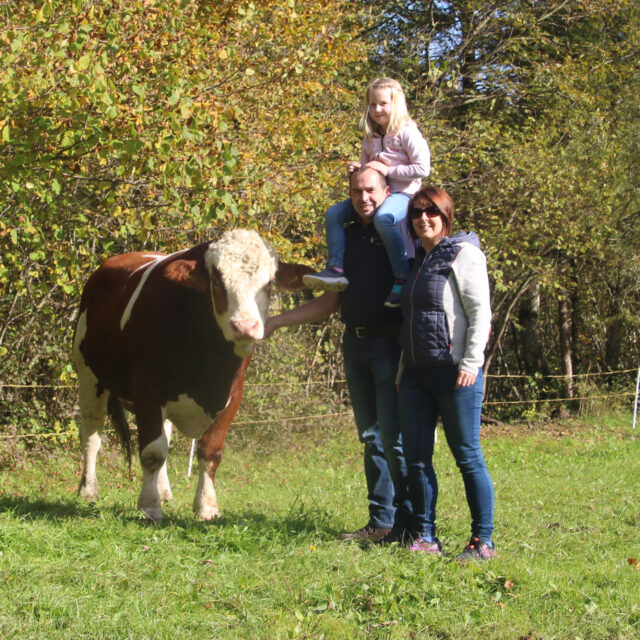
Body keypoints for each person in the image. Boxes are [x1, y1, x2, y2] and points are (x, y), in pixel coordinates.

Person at [265, 167, 412, 543]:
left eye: (371, 190)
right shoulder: (345, 236)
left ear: (386, 192)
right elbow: (330, 301)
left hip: (389, 344)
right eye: (356, 191)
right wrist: (275, 323)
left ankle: (412, 526)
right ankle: (380, 523)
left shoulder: (399, 231)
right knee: (371, 435)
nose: (364, 198)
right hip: (355, 344)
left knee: (393, 438)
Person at [396, 186, 496, 561]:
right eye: (417, 213)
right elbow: (411, 321)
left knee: (467, 456)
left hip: (455, 374)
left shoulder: (464, 254)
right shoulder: (416, 262)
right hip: (415, 376)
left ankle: (483, 542)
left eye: (431, 211)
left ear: (446, 215)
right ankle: (425, 537)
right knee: (417, 458)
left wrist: (471, 362)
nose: (424, 218)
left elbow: (480, 313)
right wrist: (403, 369)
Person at [303, 77, 431, 308]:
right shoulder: (370, 138)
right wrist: (356, 170)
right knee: (333, 214)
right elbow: (366, 172)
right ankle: (336, 268)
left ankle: (402, 274)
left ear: (396, 104)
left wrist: (389, 170)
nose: (377, 109)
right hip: (375, 195)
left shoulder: (407, 133)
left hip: (403, 195)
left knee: (383, 218)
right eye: (372, 104)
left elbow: (423, 168)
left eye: (383, 104)